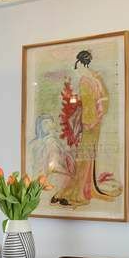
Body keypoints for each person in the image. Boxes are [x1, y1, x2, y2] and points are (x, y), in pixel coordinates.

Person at [51, 49, 122, 207]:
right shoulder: (96, 78)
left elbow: (89, 103)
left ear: (80, 62)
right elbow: (103, 100)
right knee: (85, 158)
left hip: (89, 122)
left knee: (84, 158)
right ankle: (74, 191)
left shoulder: (85, 79)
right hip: (95, 122)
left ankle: (78, 194)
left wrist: (86, 120)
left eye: (77, 62)